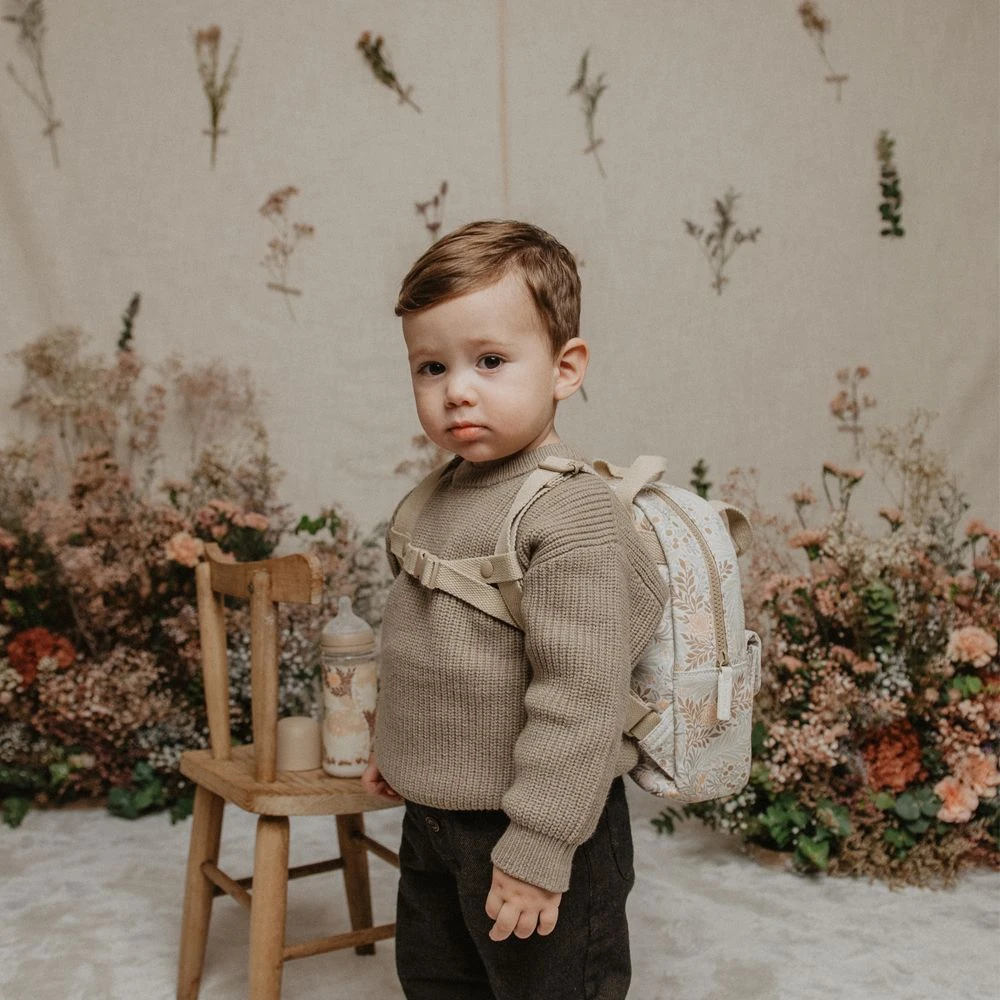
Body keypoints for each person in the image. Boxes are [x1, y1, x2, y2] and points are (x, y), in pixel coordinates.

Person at [362, 219, 666, 1000]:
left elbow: (581, 698)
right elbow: (423, 641)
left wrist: (538, 849)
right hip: (435, 818)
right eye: (431, 367)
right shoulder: (434, 497)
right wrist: (398, 746)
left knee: (550, 986)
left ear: (565, 368)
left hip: (537, 824)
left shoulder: (571, 512)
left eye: (490, 361)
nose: (456, 390)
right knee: (437, 978)